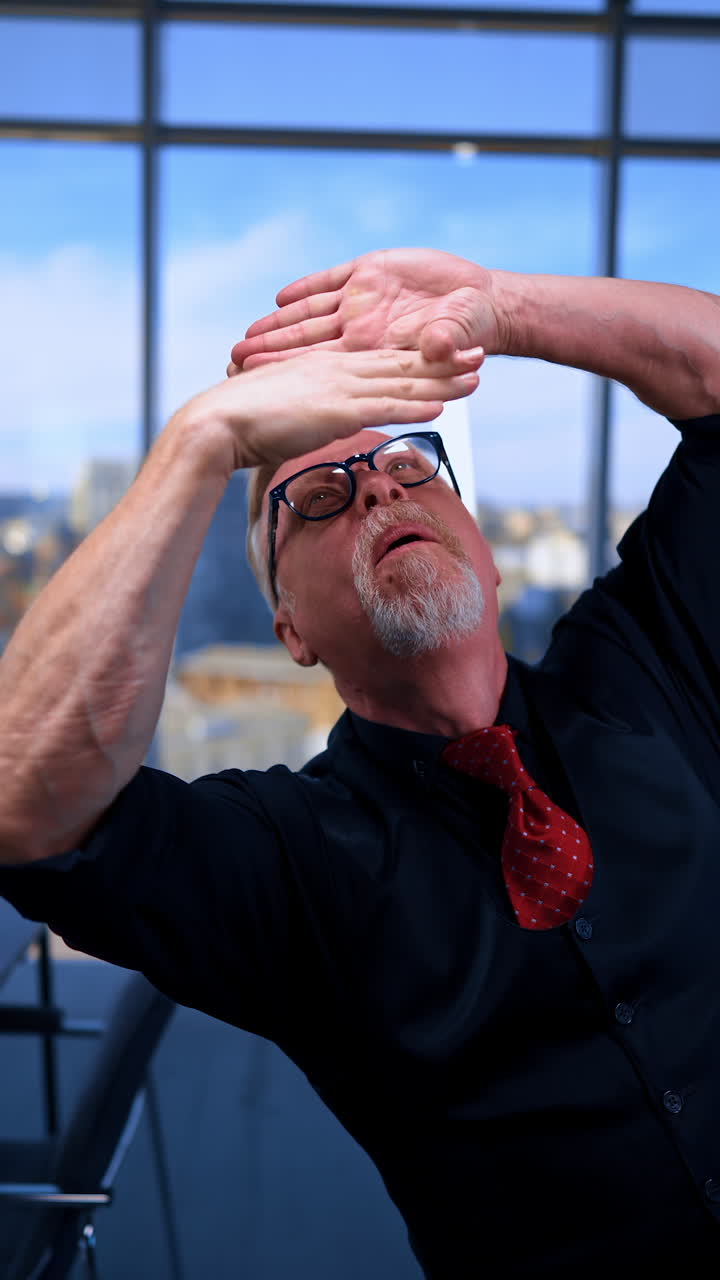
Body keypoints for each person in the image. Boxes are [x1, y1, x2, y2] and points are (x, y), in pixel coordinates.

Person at [1, 246, 720, 1275]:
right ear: (289, 626)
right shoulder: (291, 864)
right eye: (320, 496)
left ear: (482, 541)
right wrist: (204, 438)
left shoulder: (649, 665)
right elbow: (21, 797)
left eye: (409, 463)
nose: (378, 485)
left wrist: (502, 308)